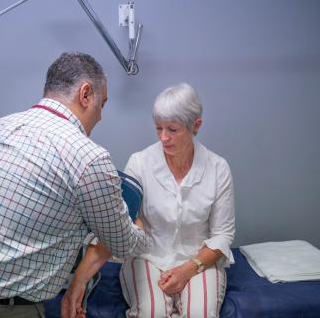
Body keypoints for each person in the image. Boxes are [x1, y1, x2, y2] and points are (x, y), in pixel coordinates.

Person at [0, 52, 153, 318]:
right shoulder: (89, 158)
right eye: (103, 104)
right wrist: (139, 227)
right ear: (85, 94)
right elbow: (122, 244)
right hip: (1, 311)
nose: (100, 117)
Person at [64, 83, 235, 318]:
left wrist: (188, 269)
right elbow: (118, 224)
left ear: (196, 126)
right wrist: (79, 282)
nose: (164, 137)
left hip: (197, 260)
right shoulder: (140, 163)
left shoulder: (218, 168)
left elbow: (222, 235)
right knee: (149, 313)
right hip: (147, 256)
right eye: (158, 128)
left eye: (172, 130)